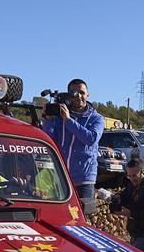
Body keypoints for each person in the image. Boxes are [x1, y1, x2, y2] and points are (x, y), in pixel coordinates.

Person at [40, 79, 103, 213]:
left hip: (84, 178)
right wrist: (48, 120)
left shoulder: (96, 118)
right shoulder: (59, 116)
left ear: (88, 95)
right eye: (74, 93)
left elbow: (90, 138)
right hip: (60, 176)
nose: (79, 96)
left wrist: (68, 121)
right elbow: (49, 140)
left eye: (82, 92)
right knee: (59, 214)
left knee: (82, 216)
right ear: (68, 95)